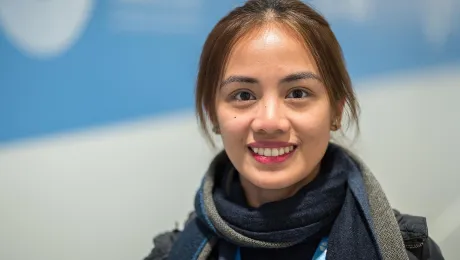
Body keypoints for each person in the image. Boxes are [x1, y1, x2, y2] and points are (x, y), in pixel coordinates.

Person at [144, 0, 444, 259]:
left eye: (298, 93)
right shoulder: (172, 253)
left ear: (335, 112)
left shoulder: (408, 251)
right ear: (213, 114)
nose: (270, 122)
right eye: (244, 95)